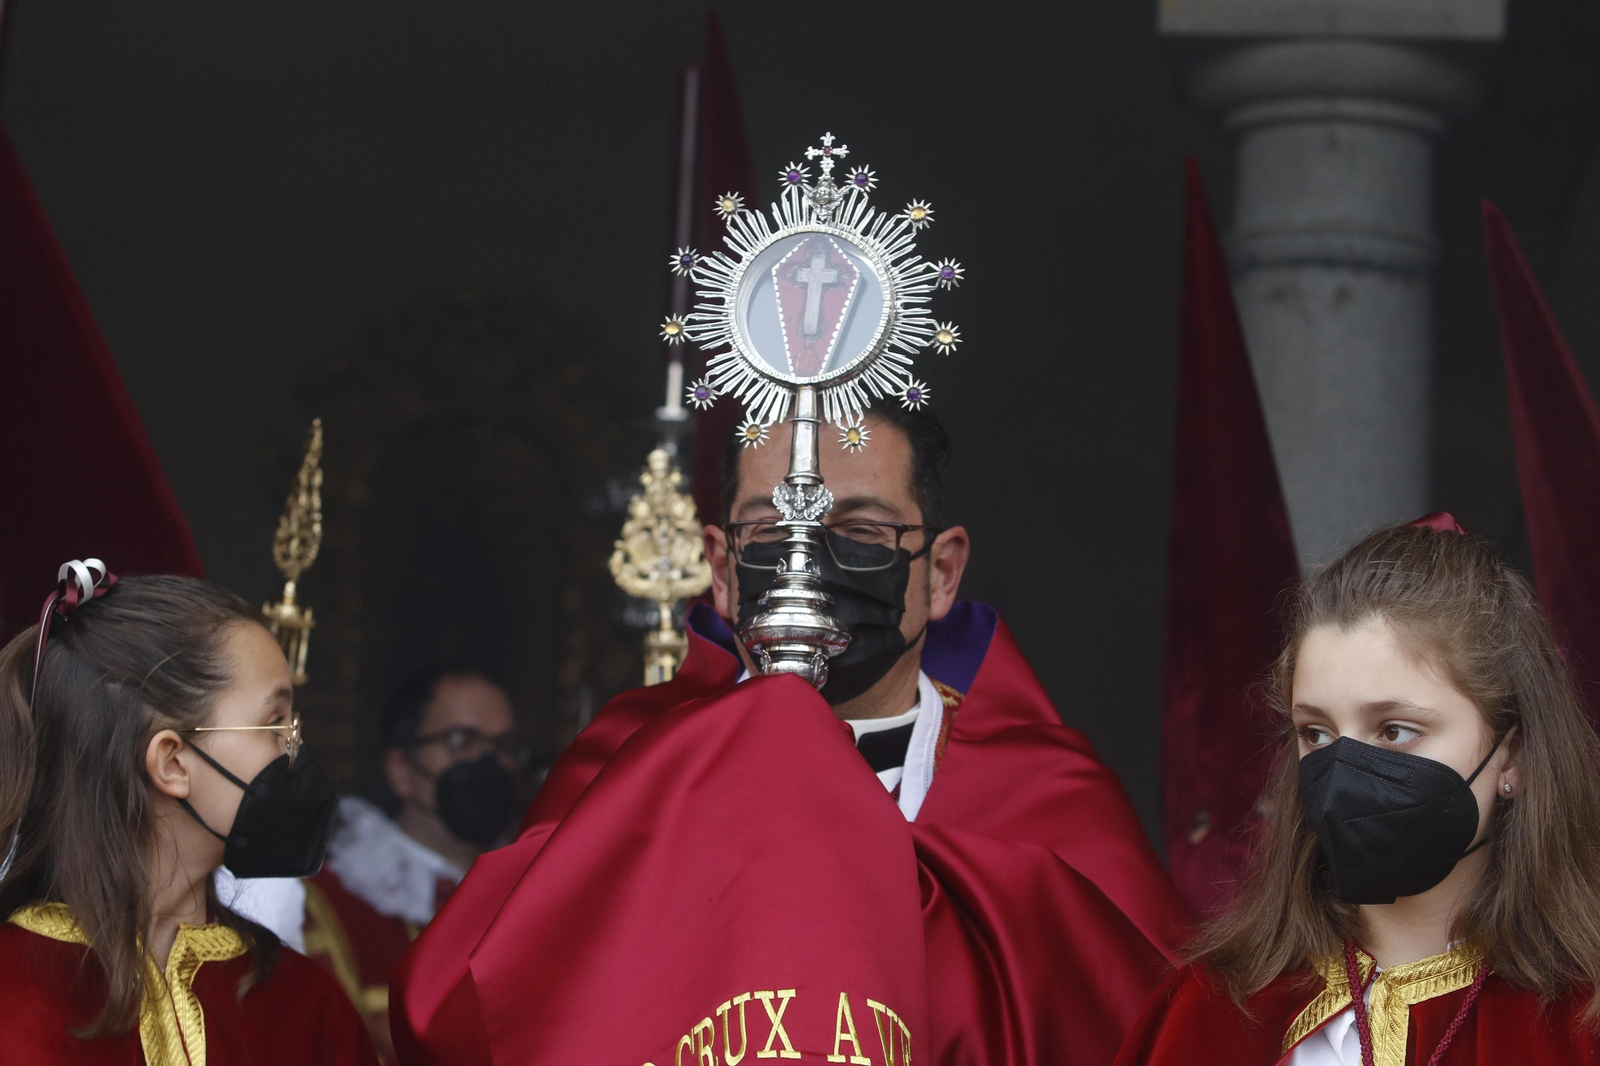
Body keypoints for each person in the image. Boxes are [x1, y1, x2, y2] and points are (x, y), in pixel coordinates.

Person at [392, 405, 1193, 1066]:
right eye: (772, 533)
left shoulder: (1052, 800)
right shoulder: (629, 770)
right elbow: (468, 1005)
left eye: (862, 533)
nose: (809, 565)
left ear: (941, 573)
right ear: (722, 563)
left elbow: (1161, 1029)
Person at [1116, 516, 1600, 1066]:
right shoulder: (1206, 1013)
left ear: (1511, 754)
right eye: (1316, 733)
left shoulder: (1583, 1021)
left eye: (1395, 730)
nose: (1344, 771)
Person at [0, 562, 377, 1065]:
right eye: (274, 724)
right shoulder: (13, 992)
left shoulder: (307, 1009)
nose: (296, 749)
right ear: (173, 762)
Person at [301, 664, 528, 1062]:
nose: (488, 764)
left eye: (503, 746)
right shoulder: (323, 907)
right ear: (401, 769)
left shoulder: (532, 903)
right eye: (462, 741)